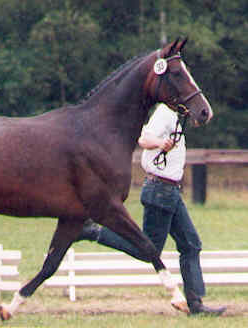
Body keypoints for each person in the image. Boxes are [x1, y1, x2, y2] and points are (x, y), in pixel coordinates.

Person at [76, 103, 226, 316]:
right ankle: (92, 231)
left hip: (171, 192)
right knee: (148, 249)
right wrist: (160, 143)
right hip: (160, 190)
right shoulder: (165, 112)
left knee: (191, 244)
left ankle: (196, 305)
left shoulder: (178, 117)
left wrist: (202, 111)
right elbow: (144, 139)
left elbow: (204, 113)